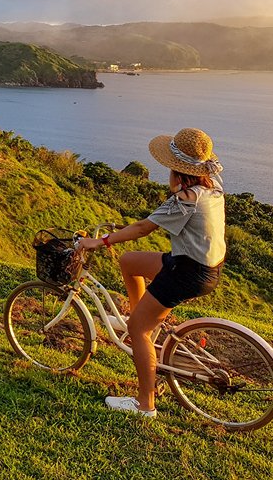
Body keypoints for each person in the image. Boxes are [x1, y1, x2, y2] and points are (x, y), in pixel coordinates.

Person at [78, 127, 226, 419]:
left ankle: (145, 404)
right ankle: (139, 315)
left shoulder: (186, 198)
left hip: (188, 272)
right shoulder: (212, 188)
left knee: (140, 331)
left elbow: (144, 228)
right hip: (200, 264)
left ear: (177, 170)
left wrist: (100, 241)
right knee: (130, 262)